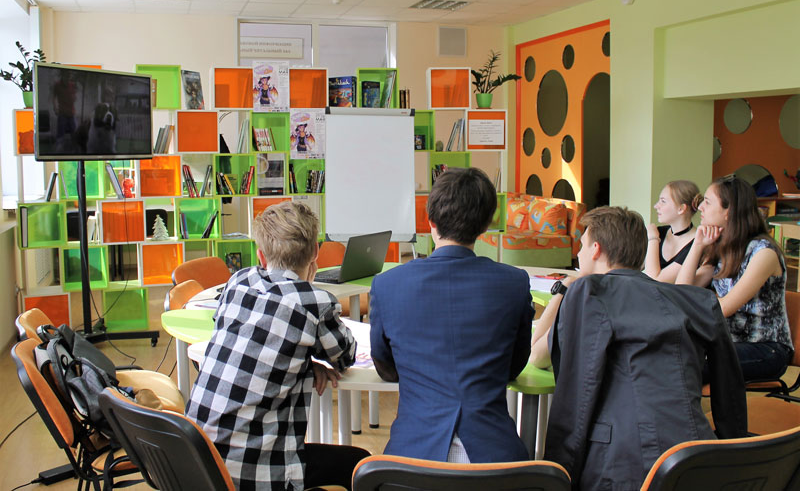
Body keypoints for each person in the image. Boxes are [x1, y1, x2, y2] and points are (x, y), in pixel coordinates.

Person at [532, 206, 746, 490]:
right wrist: (734, 461)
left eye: (582, 246)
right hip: (696, 455)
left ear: (596, 249)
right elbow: (730, 392)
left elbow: (574, 393)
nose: (579, 254)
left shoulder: (589, 293)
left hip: (621, 464)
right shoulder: (698, 301)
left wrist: (558, 472)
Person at [185, 201, 369, 491]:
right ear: (315, 253)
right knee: (361, 464)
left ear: (260, 255)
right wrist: (310, 361)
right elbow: (345, 356)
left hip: (197, 462)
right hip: (253, 474)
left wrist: (301, 362)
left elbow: (247, 339)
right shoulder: (312, 302)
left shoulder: (238, 281)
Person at [369, 167, 533, 463]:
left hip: (411, 462)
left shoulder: (387, 285)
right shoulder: (515, 284)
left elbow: (385, 366)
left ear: (430, 222)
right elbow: (513, 366)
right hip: (496, 462)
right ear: (486, 225)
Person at [676, 177, 794, 381]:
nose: (700, 207)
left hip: (767, 349)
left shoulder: (763, 253)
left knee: (685, 361)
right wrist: (698, 245)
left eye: (707, 202)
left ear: (728, 211)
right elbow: (682, 292)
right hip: (730, 343)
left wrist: (693, 308)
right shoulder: (722, 247)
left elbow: (723, 309)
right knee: (671, 354)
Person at [643, 180, 702, 283]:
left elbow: (654, 281)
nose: (656, 206)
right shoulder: (659, 232)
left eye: (663, 201)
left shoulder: (697, 242)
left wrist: (652, 239)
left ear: (681, 209)